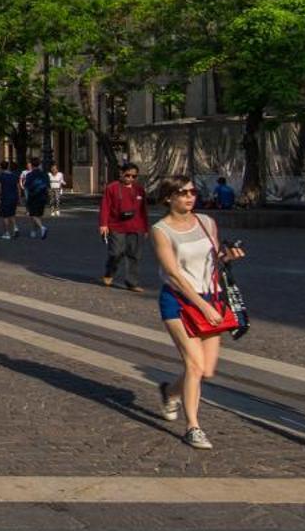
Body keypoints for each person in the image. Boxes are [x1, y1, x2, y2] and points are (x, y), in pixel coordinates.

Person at [150, 174, 244, 451]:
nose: (190, 197)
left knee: (207, 370)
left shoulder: (206, 222)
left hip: (210, 297)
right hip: (178, 301)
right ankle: (193, 426)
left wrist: (229, 257)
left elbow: (215, 260)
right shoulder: (160, 230)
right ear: (169, 197)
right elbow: (173, 274)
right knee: (194, 365)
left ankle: (170, 392)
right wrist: (201, 305)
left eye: (192, 192)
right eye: (182, 192)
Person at [99, 161, 150, 291]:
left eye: (134, 176)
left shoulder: (139, 189)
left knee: (134, 255)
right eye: (128, 175)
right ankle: (109, 272)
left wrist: (145, 227)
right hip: (117, 226)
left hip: (136, 226)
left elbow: (143, 210)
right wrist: (103, 224)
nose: (130, 179)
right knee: (116, 252)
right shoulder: (112, 187)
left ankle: (132, 283)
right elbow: (105, 206)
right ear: (121, 174)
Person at [22, 162, 51, 239]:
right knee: (38, 215)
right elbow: (48, 187)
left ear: (31, 165)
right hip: (43, 196)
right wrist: (48, 197)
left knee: (33, 214)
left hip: (33, 197)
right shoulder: (45, 174)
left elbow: (26, 187)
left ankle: (42, 228)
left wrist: (26, 198)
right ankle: (34, 231)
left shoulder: (29, 175)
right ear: (39, 165)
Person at [0, 163, 22, 240]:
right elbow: (18, 187)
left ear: (1, 168)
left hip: (5, 197)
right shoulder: (14, 175)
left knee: (5, 216)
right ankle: (15, 228)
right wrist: (19, 198)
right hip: (14, 197)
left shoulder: (1, 176)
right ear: (8, 167)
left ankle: (7, 233)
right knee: (12, 214)